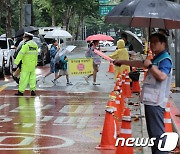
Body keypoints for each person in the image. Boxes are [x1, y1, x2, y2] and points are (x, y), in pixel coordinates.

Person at [113, 33, 172, 154]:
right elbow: (140, 63)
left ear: (163, 43)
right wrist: (121, 61)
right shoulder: (157, 58)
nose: (152, 44)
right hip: (151, 100)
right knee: (154, 134)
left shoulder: (165, 59)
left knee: (157, 134)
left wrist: (149, 65)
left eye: (155, 41)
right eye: (151, 42)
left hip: (156, 101)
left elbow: (162, 76)